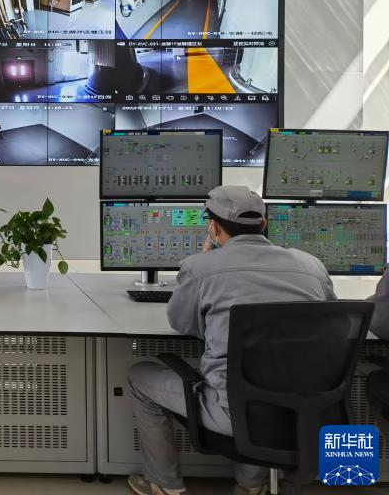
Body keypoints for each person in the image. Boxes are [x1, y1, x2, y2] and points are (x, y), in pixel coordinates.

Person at [126, 185, 336, 495]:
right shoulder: (312, 266)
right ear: (264, 224)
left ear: (213, 227)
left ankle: (165, 485)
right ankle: (250, 486)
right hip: (305, 410)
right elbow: (329, 323)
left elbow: (183, 324)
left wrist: (204, 262)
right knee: (267, 376)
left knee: (139, 376)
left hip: (232, 414)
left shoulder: (200, 267)